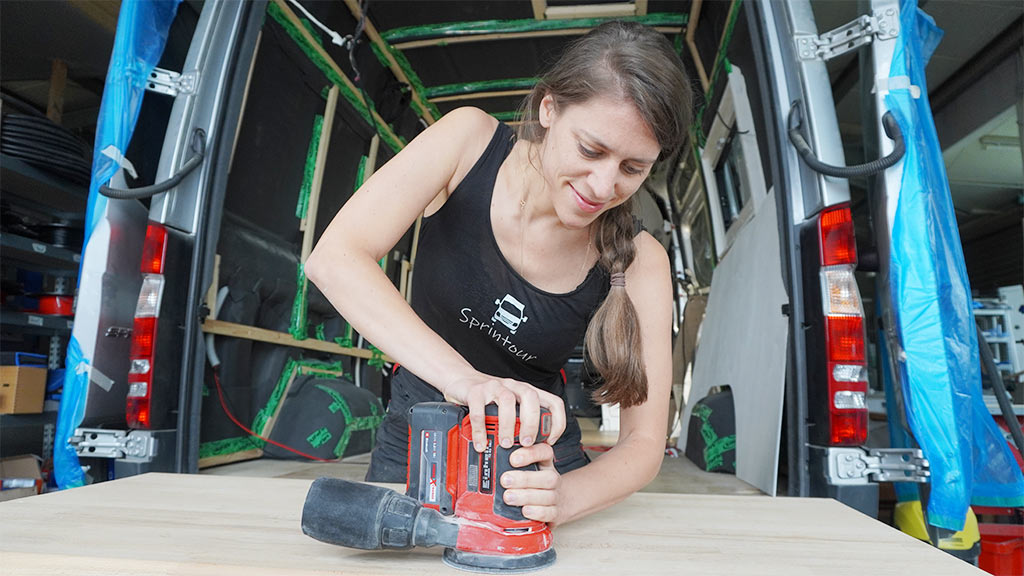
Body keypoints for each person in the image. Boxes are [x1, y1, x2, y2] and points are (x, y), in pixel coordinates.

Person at [306, 20, 692, 527]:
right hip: (420, 436)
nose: (603, 185)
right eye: (591, 150)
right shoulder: (467, 142)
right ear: (548, 108)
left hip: (536, 462)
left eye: (632, 168)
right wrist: (464, 381)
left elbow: (644, 444)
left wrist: (565, 497)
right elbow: (334, 258)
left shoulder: (641, 259)